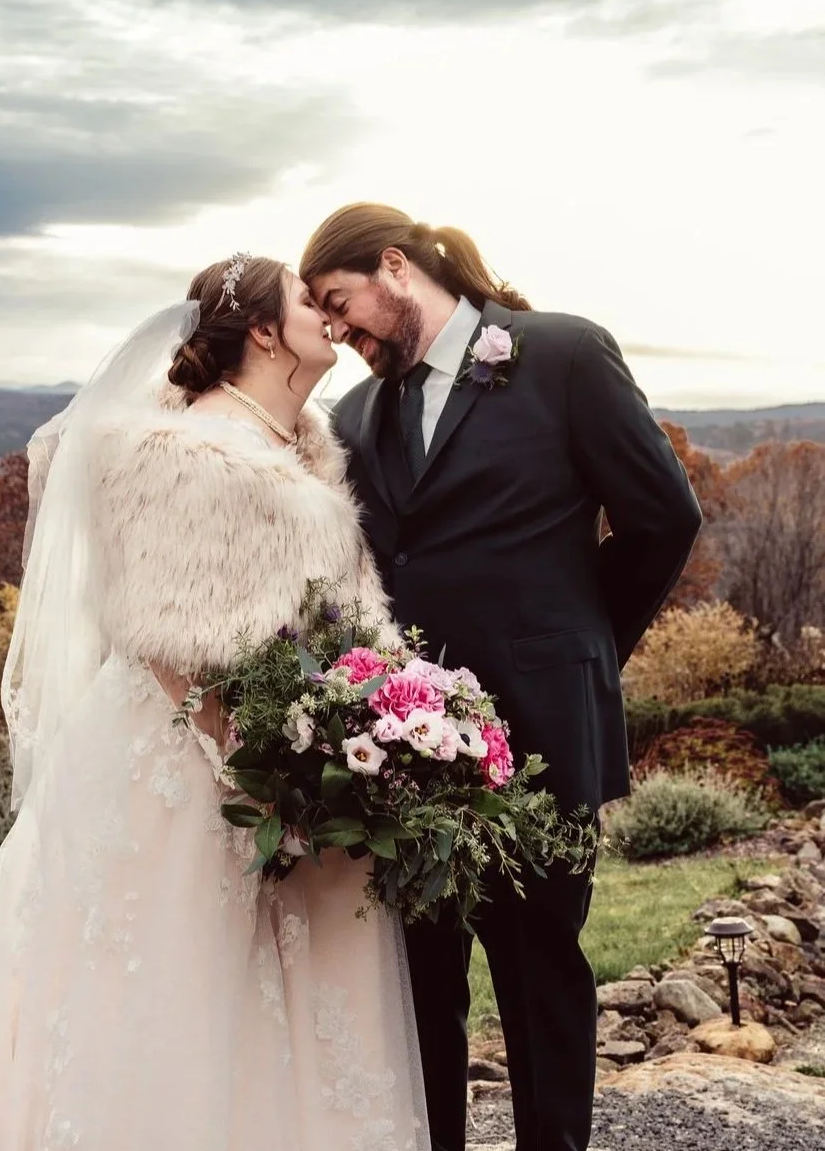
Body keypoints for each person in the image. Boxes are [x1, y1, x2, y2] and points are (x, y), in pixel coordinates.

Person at [0, 254, 432, 1151]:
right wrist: (271, 780)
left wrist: (397, 723)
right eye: (306, 303)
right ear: (266, 332)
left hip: (305, 768)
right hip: (192, 779)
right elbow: (171, 650)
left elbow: (343, 624)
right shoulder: (176, 453)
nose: (327, 314)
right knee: (166, 1001)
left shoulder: (306, 446)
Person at [301, 205, 703, 1151]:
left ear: (394, 266)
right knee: (419, 994)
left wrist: (580, 647)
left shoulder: (561, 355)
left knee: (539, 978)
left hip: (542, 737)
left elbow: (663, 517)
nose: (341, 332)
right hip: (404, 759)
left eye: (340, 303)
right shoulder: (356, 416)